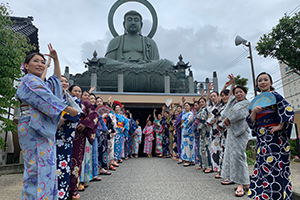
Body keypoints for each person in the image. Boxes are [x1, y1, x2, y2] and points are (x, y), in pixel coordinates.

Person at [16, 44, 78, 200]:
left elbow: (56, 82)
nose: (40, 64)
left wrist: (56, 60)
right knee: (36, 169)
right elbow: (45, 97)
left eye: (43, 62)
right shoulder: (28, 81)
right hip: (31, 127)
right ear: (26, 66)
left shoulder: (41, 83)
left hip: (42, 129)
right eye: (36, 61)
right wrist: (67, 109)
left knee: (48, 168)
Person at [247, 72, 294, 200]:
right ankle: (265, 195)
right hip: (262, 138)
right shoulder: (256, 100)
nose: (262, 82)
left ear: (271, 82)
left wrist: (280, 126)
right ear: (257, 84)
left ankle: (279, 196)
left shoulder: (275, 96)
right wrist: (254, 112)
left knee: (277, 167)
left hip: (275, 138)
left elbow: (288, 110)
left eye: (265, 80)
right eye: (260, 80)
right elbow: (250, 122)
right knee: (263, 166)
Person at [101, 10, 172, 71]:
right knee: (101, 61)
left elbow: (155, 62)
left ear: (141, 24)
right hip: (122, 67)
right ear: (124, 24)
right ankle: (133, 68)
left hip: (144, 68)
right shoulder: (115, 41)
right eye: (129, 20)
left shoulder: (150, 42)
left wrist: (142, 64)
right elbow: (109, 62)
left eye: (136, 20)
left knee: (168, 63)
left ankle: (137, 68)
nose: (133, 23)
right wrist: (127, 65)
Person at [220, 74, 250, 197]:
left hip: (241, 133)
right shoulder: (234, 104)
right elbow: (226, 111)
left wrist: (228, 119)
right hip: (232, 133)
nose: (238, 94)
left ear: (245, 94)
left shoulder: (247, 104)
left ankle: (240, 184)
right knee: (235, 157)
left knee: (238, 156)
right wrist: (233, 84)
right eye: (236, 92)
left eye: (240, 92)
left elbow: (237, 115)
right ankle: (245, 182)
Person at [56, 78, 82, 200]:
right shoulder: (52, 96)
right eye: (61, 81)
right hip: (51, 134)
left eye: (66, 81)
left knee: (64, 165)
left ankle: (62, 194)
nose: (64, 83)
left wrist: (64, 118)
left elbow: (77, 113)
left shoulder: (73, 100)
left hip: (64, 136)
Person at [206, 82, 222, 173]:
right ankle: (215, 168)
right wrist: (209, 90)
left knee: (220, 149)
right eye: (212, 96)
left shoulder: (220, 106)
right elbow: (207, 100)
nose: (213, 97)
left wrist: (224, 87)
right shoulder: (211, 108)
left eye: (214, 96)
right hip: (213, 129)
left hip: (220, 128)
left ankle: (221, 170)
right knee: (214, 149)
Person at [197, 98, 212, 173]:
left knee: (206, 149)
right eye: (200, 102)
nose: (201, 103)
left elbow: (203, 121)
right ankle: (204, 165)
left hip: (205, 131)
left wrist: (198, 127)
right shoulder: (200, 110)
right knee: (202, 149)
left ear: (206, 102)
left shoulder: (205, 110)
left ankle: (209, 166)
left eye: (203, 102)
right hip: (202, 132)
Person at [180, 102, 195, 167]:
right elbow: (182, 110)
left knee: (189, 146)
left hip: (189, 131)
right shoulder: (184, 113)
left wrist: (183, 124)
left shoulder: (191, 113)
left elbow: (189, 120)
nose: (186, 107)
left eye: (187, 106)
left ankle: (189, 159)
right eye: (185, 106)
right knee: (184, 146)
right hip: (184, 131)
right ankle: (187, 159)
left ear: (190, 107)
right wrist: (182, 103)